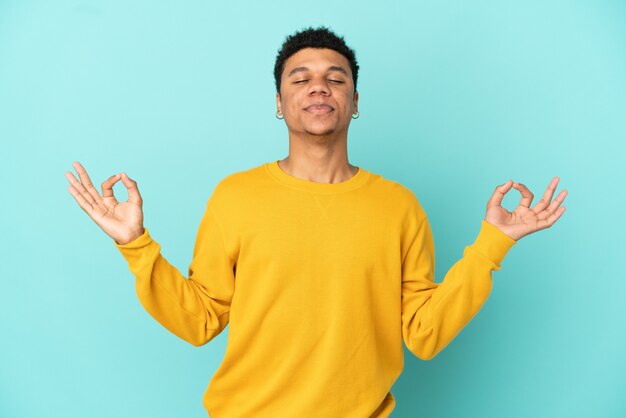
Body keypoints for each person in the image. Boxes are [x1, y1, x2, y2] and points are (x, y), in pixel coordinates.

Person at [65, 27, 568, 418]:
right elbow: (200, 320)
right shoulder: (235, 196)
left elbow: (424, 333)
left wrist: (492, 245)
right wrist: (136, 245)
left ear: (355, 101)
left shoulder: (400, 207)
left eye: (336, 77)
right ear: (279, 104)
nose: (318, 88)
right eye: (299, 78)